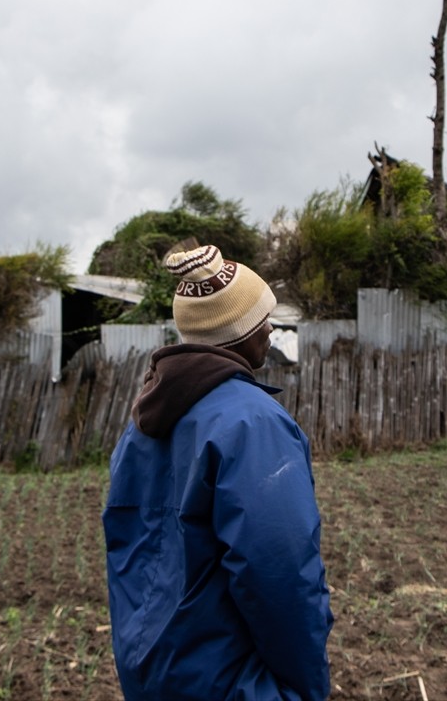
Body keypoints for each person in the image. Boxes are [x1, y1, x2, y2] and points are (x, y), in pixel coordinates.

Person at [102, 244, 333, 700]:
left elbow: (129, 555)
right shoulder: (253, 423)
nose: (269, 329)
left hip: (154, 673)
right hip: (233, 683)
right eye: (260, 318)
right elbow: (279, 575)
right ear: (236, 332)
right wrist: (304, 688)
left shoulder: (140, 428)